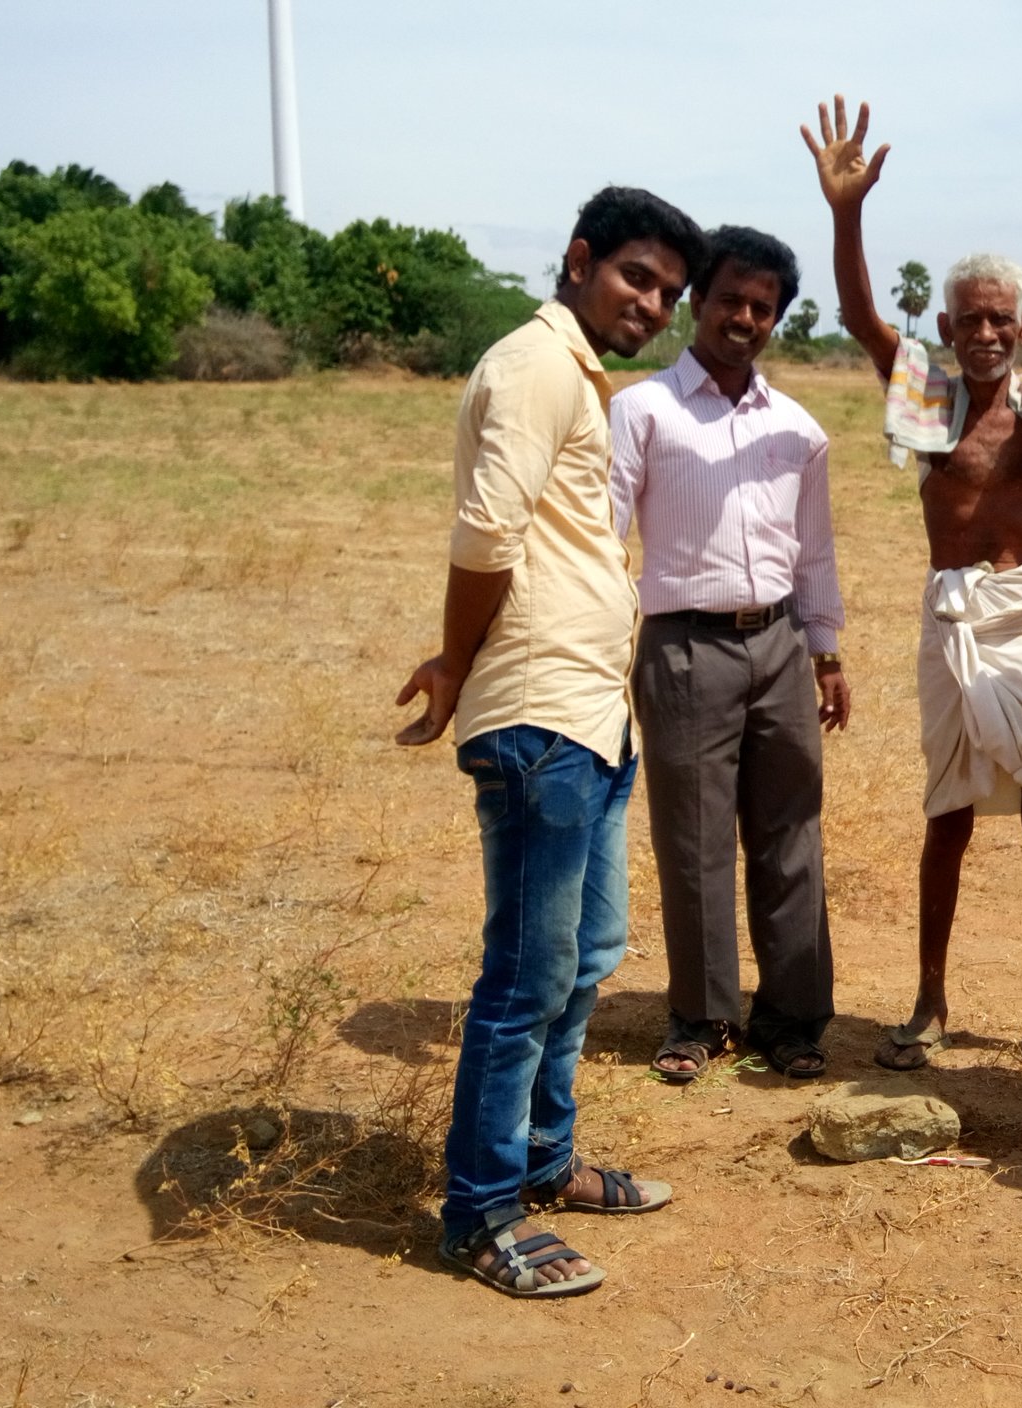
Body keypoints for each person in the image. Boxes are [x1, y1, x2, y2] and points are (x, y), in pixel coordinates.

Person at [392, 187, 708, 1299]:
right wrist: (452, 660)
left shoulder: (574, 372)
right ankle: (478, 1212)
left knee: (584, 956)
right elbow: (487, 531)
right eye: (636, 277)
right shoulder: (531, 365)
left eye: (667, 290)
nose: (653, 303)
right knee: (525, 975)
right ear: (579, 260)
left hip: (590, 710)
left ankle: (543, 1160)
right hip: (538, 712)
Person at [800, 87, 1022, 1075]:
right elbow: (865, 317)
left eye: (1002, 321)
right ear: (948, 325)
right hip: (947, 615)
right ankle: (928, 1000)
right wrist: (846, 211)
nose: (986, 334)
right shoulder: (926, 398)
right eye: (970, 321)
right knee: (946, 811)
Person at [608, 225, 851, 1085]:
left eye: (762, 306)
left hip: (780, 643)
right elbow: (603, 536)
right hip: (684, 649)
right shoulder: (643, 411)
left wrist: (824, 652)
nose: (744, 317)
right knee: (695, 837)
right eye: (729, 300)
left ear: (777, 316)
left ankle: (792, 1020)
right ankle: (702, 1016)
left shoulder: (798, 429)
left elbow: (813, 547)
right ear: (697, 302)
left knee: (791, 834)